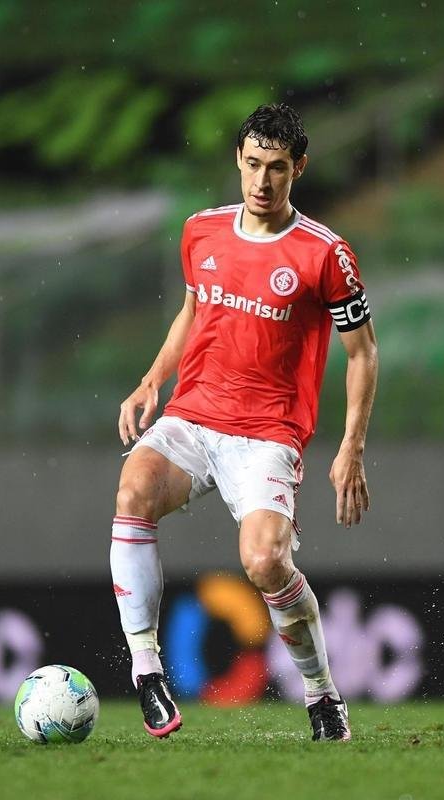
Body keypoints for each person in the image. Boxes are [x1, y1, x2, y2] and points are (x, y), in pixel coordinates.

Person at [110, 103, 377, 742]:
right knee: (133, 489)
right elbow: (192, 312)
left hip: (267, 435)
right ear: (237, 159)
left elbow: (362, 352)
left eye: (277, 168)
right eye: (253, 164)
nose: (262, 181)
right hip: (194, 416)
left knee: (264, 562)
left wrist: (350, 448)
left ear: (299, 169)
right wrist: (153, 378)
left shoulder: (325, 255)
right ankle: (146, 672)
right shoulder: (200, 230)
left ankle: (322, 693)